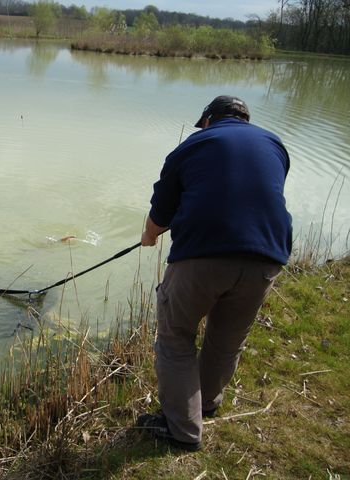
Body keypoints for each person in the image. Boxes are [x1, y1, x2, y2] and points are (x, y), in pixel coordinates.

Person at [137, 95, 292, 452]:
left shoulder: (193, 145)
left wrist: (148, 236)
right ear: (245, 120)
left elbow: (161, 213)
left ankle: (182, 431)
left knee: (175, 338)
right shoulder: (274, 145)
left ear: (208, 119)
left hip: (203, 255)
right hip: (266, 256)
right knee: (226, 339)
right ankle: (204, 405)